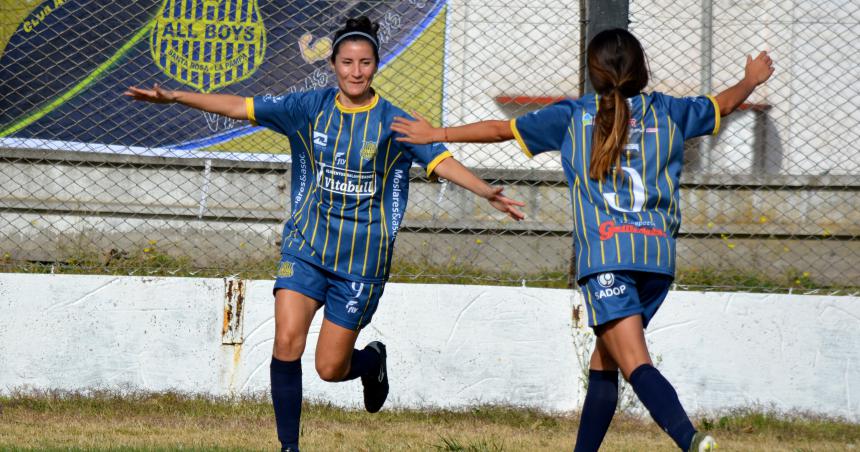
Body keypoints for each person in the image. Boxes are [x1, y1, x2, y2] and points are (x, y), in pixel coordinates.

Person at [126, 16, 525, 452]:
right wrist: (177, 97)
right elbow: (241, 106)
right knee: (286, 340)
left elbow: (441, 161)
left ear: (376, 66)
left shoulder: (394, 121)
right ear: (332, 64)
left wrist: (486, 191)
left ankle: (371, 362)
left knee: (330, 369)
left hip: (360, 261)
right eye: (347, 62)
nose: (356, 71)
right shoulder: (307, 108)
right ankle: (289, 447)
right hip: (306, 246)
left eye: (365, 63)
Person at [391, 28, 773, 452]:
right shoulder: (669, 111)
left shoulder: (574, 116)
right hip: (656, 261)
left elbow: (501, 129)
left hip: (608, 258)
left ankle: (691, 440)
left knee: (635, 362)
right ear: (641, 70)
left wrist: (436, 134)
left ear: (592, 73)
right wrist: (751, 80)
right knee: (604, 359)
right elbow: (722, 105)